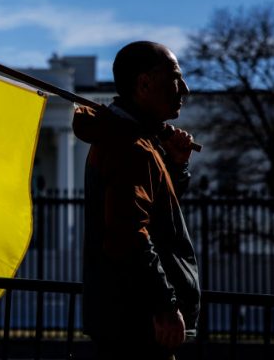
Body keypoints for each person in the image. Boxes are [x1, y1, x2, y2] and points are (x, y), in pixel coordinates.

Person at [73, 41, 200, 359]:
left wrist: (175, 166)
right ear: (143, 83)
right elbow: (129, 235)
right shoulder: (132, 148)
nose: (183, 88)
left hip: (125, 320)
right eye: (174, 77)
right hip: (138, 326)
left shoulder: (131, 142)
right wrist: (165, 304)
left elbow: (155, 218)